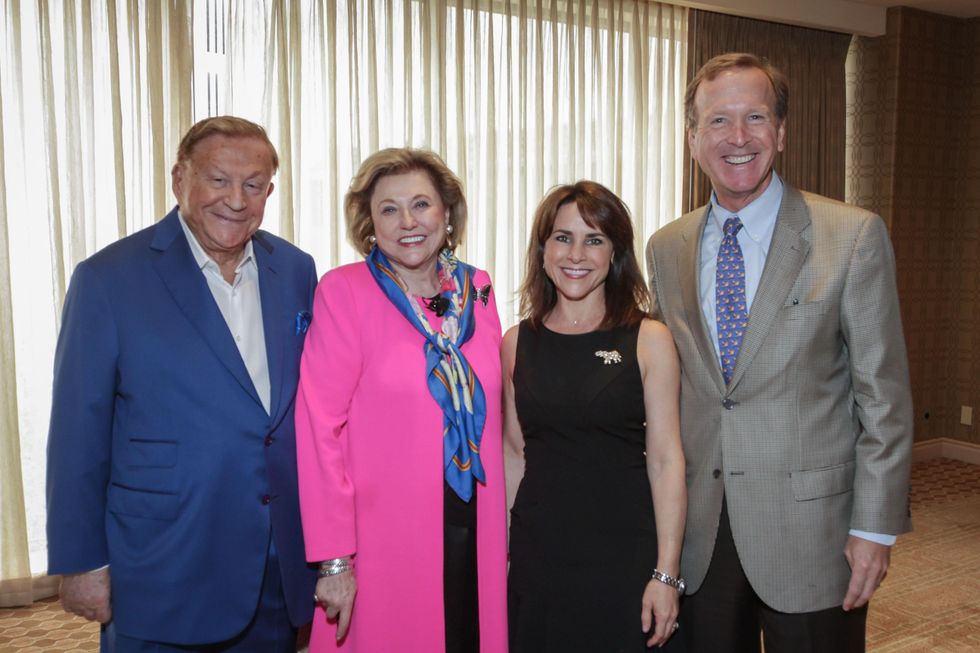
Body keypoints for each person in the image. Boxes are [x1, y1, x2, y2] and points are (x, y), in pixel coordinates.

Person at [645, 52, 913, 652]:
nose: (737, 138)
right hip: (702, 536)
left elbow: (884, 399)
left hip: (813, 537)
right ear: (692, 138)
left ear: (782, 132)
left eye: (756, 118)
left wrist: (874, 527)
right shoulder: (667, 247)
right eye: (718, 121)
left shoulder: (852, 236)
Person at [45, 116, 318, 651]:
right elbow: (78, 430)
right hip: (164, 561)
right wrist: (80, 561)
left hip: (275, 560)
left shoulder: (296, 269)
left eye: (253, 184)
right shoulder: (107, 279)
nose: (236, 200)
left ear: (270, 190)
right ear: (179, 179)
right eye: (218, 180)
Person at [295, 148, 508, 652]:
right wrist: (334, 559)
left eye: (421, 204)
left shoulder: (477, 288)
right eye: (389, 209)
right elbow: (318, 428)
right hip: (383, 538)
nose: (407, 222)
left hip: (476, 523)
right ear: (370, 222)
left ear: (447, 213)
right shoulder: (344, 291)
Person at [503, 181, 686, 652]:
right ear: (543, 250)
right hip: (538, 556)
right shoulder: (515, 343)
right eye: (562, 237)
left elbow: (666, 461)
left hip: (624, 557)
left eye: (594, 239)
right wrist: (505, 553)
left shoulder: (649, 339)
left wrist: (666, 573)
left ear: (614, 253)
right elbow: (514, 453)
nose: (576, 254)